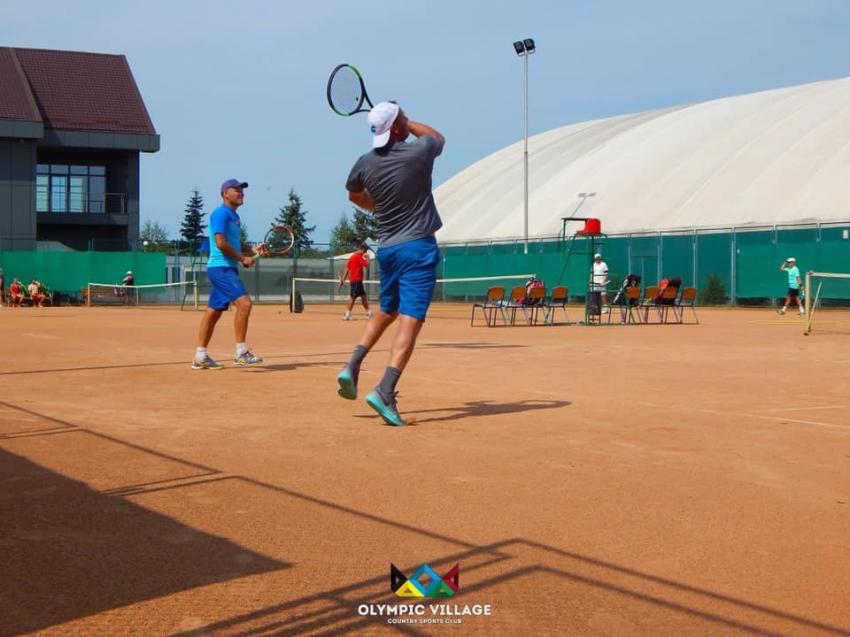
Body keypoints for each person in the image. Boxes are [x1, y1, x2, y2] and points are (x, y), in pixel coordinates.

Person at [336, 101, 445, 426]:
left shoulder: (364, 164)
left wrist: (377, 206)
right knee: (410, 320)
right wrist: (409, 121)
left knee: (387, 310)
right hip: (417, 248)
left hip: (388, 249)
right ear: (397, 127)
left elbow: (354, 195)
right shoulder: (417, 153)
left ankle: (352, 366)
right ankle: (385, 390)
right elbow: (437, 136)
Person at [192, 178, 265, 370]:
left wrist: (253, 249)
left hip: (226, 267)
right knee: (245, 304)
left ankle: (200, 356)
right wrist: (243, 259)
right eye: (237, 189)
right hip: (221, 267)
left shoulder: (234, 217)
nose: (241, 192)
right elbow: (221, 243)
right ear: (225, 193)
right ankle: (241, 352)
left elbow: (234, 243)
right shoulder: (221, 214)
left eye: (242, 190)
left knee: (214, 312)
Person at [340, 244, 373, 320]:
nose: (365, 253)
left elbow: (347, 269)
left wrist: (343, 279)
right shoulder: (358, 257)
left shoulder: (352, 257)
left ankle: (369, 313)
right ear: (363, 250)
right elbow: (367, 265)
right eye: (366, 251)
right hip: (356, 281)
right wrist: (368, 258)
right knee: (353, 297)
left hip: (357, 281)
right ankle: (347, 314)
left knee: (363, 296)